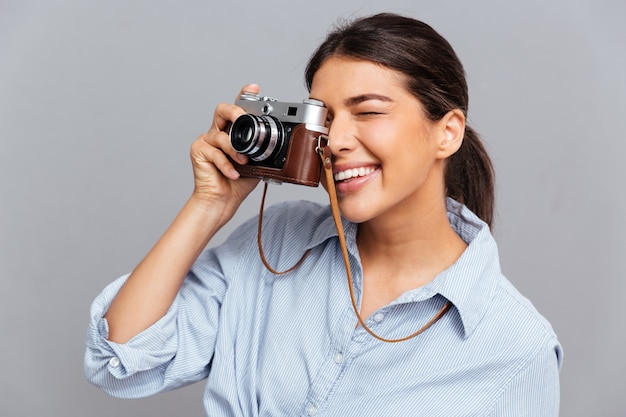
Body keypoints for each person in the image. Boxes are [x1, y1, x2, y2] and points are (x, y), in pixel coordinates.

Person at [85, 12, 562, 416]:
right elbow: (121, 359)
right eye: (325, 118)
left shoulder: (516, 348)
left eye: (369, 111)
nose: (334, 142)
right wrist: (210, 206)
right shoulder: (277, 242)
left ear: (447, 133)